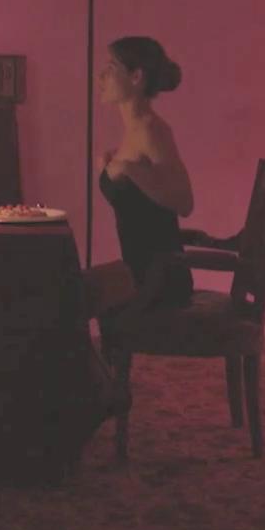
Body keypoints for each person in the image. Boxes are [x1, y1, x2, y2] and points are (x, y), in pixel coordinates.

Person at [85, 36, 195, 324]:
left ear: (136, 77)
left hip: (159, 280)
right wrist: (111, 166)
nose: (101, 76)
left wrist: (129, 169)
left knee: (70, 293)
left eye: (111, 68)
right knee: (67, 288)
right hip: (137, 271)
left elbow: (184, 202)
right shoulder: (133, 132)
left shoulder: (151, 130)